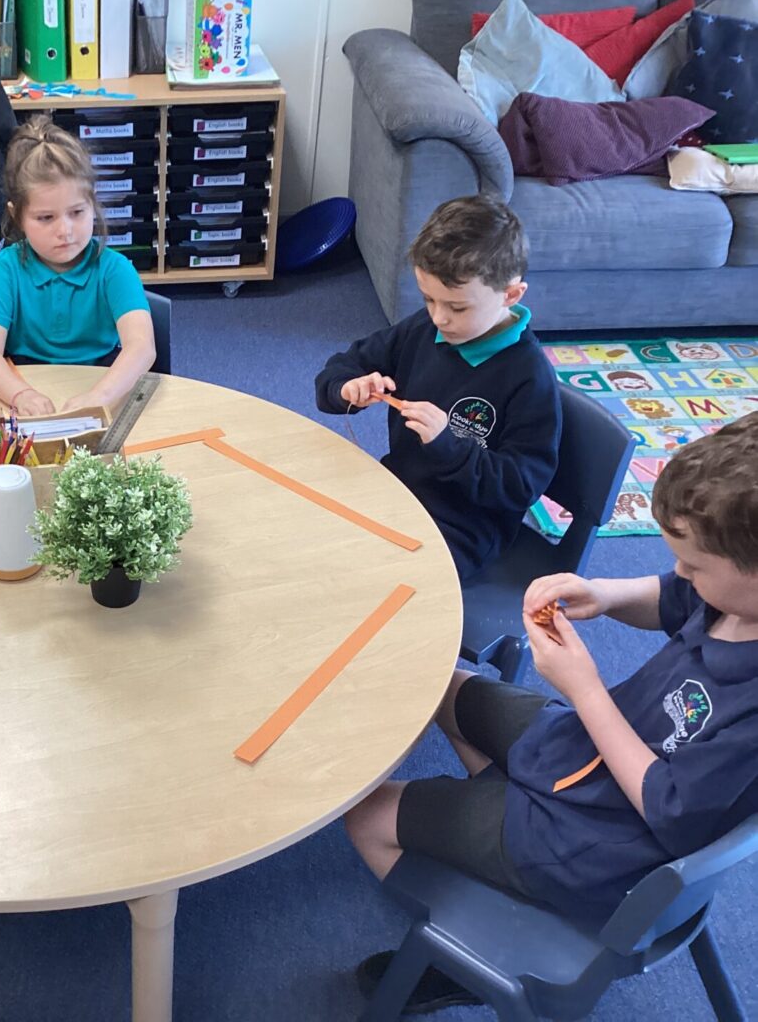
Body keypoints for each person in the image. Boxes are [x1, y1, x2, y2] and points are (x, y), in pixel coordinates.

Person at [344, 414, 758, 1012]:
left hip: (594, 844)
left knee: (365, 815)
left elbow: (670, 811)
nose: (681, 573)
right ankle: (499, 810)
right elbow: (674, 596)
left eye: (695, 565)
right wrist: (607, 595)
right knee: (441, 683)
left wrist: (584, 688)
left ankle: (467, 961)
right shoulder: (736, 597)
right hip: (583, 756)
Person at [314, 195, 560, 580]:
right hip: (399, 490)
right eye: (429, 299)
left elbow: (519, 486)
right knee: (315, 528)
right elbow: (343, 367)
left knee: (373, 576)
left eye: (457, 307)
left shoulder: (529, 376)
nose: (439, 317)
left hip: (464, 528)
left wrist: (449, 445)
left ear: (511, 295)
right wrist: (347, 388)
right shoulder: (424, 328)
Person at [0, 115, 154, 416]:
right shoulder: (4, 271)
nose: (65, 231)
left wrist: (101, 396)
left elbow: (142, 347)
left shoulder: (115, 270)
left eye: (77, 212)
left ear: (92, 204)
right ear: (17, 216)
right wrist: (21, 395)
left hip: (101, 382)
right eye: (46, 218)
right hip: (22, 386)